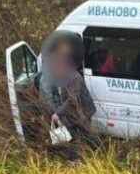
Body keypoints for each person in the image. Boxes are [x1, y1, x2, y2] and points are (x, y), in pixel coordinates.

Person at [38, 32, 96, 162]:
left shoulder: (75, 78)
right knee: (74, 135)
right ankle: (76, 157)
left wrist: (57, 113)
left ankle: (83, 158)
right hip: (76, 112)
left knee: (84, 134)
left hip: (84, 111)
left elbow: (72, 99)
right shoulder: (64, 75)